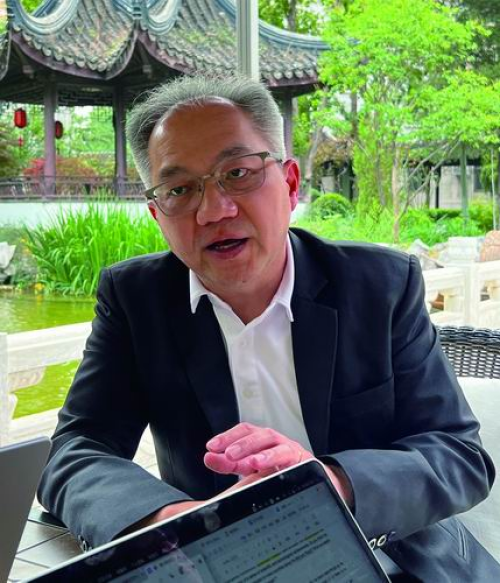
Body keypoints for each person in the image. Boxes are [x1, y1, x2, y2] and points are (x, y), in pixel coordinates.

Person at [39, 75, 499, 582]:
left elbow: (458, 455)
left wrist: (326, 483)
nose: (214, 210)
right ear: (156, 213)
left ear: (291, 183)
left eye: (238, 173)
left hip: (396, 562)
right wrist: (174, 524)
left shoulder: (380, 285)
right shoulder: (136, 300)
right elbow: (76, 450)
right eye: (180, 190)